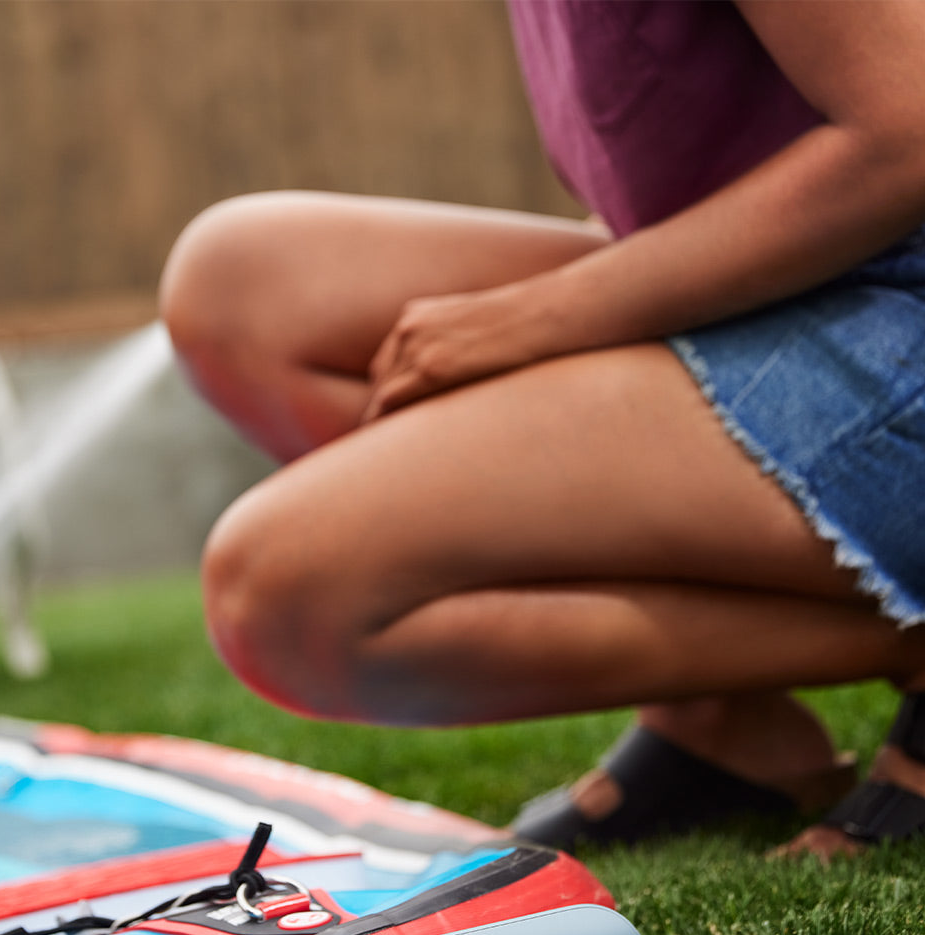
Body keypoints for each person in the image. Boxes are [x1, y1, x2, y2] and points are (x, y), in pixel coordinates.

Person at [158, 0, 925, 861]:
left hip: (901, 319)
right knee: (241, 290)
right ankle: (721, 714)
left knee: (282, 589)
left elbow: (908, 126)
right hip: (806, 295)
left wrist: (536, 321)